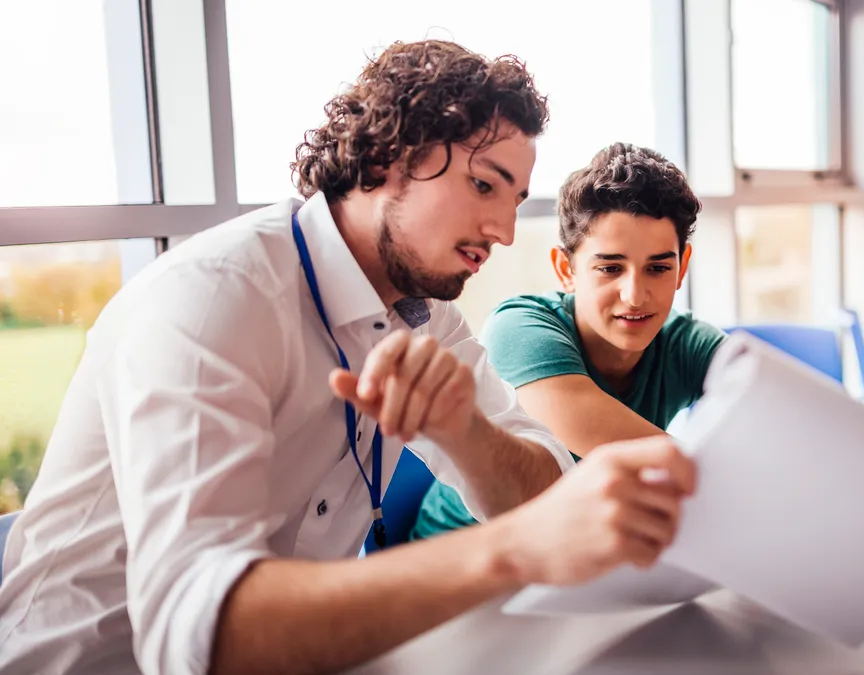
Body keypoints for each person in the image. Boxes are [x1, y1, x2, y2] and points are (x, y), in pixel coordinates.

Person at [0, 41, 695, 675]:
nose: (505, 231)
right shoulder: (215, 299)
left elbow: (546, 490)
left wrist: (466, 433)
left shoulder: (425, 317)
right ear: (386, 158)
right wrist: (514, 548)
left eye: (515, 199)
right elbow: (199, 636)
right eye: (485, 186)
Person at [413, 142, 725, 540]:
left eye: (658, 268)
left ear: (681, 269)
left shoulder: (685, 341)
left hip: (576, 555)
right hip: (459, 560)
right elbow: (674, 470)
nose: (634, 294)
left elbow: (773, 405)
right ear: (566, 269)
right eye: (610, 268)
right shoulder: (521, 328)